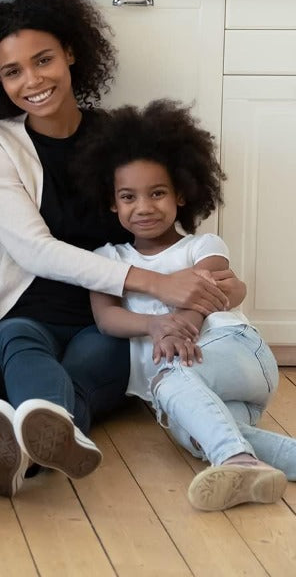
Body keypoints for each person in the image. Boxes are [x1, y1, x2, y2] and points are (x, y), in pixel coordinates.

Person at [0, 0, 245, 497]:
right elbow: (33, 250)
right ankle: (44, 439)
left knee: (91, 365)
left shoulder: (122, 137)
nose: (32, 80)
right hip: (21, 315)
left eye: (43, 60)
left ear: (71, 53)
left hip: (108, 319)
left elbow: (162, 219)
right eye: (12, 71)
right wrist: (160, 284)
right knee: (22, 348)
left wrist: (193, 287)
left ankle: (21, 453)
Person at [79, 99, 294, 511]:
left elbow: (211, 292)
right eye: (128, 196)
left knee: (168, 380)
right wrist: (155, 326)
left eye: (157, 193)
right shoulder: (107, 259)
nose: (143, 207)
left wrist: (183, 324)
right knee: (196, 433)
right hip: (198, 389)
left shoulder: (202, 245)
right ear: (111, 202)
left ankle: (236, 463)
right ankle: (245, 457)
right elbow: (107, 318)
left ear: (181, 194)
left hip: (235, 353)